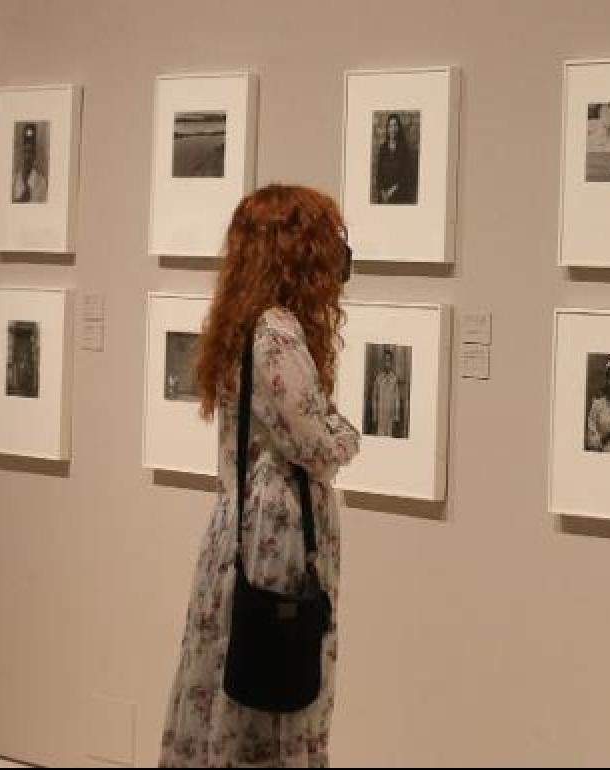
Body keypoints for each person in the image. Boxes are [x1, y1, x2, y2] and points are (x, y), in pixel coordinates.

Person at [159, 184, 360, 768]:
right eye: (326, 242)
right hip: (278, 535)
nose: (338, 258)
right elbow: (317, 444)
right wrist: (348, 434)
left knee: (239, 673)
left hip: (245, 526)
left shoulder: (246, 323)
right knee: (278, 681)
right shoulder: (276, 332)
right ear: (296, 251)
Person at [372, 112, 418, 204]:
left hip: (399, 195)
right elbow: (379, 174)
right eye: (390, 126)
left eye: (395, 125)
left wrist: (391, 191)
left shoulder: (404, 149)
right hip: (384, 196)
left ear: (398, 128)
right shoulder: (383, 149)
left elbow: (407, 176)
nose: (393, 129)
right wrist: (383, 192)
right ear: (388, 128)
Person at [368, 348, 402, 437]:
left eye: (389, 361)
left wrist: (396, 415)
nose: (387, 363)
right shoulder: (378, 378)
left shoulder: (394, 379)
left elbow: (397, 399)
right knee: (380, 435)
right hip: (380, 414)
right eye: (385, 360)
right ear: (383, 362)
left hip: (390, 414)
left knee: (389, 435)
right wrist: (374, 415)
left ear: (391, 362)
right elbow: (374, 397)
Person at [12, 123, 48, 203]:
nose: (28, 157)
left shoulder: (41, 183)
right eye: (25, 152)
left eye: (31, 152)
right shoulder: (14, 180)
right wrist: (21, 200)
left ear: (34, 156)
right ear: (22, 154)